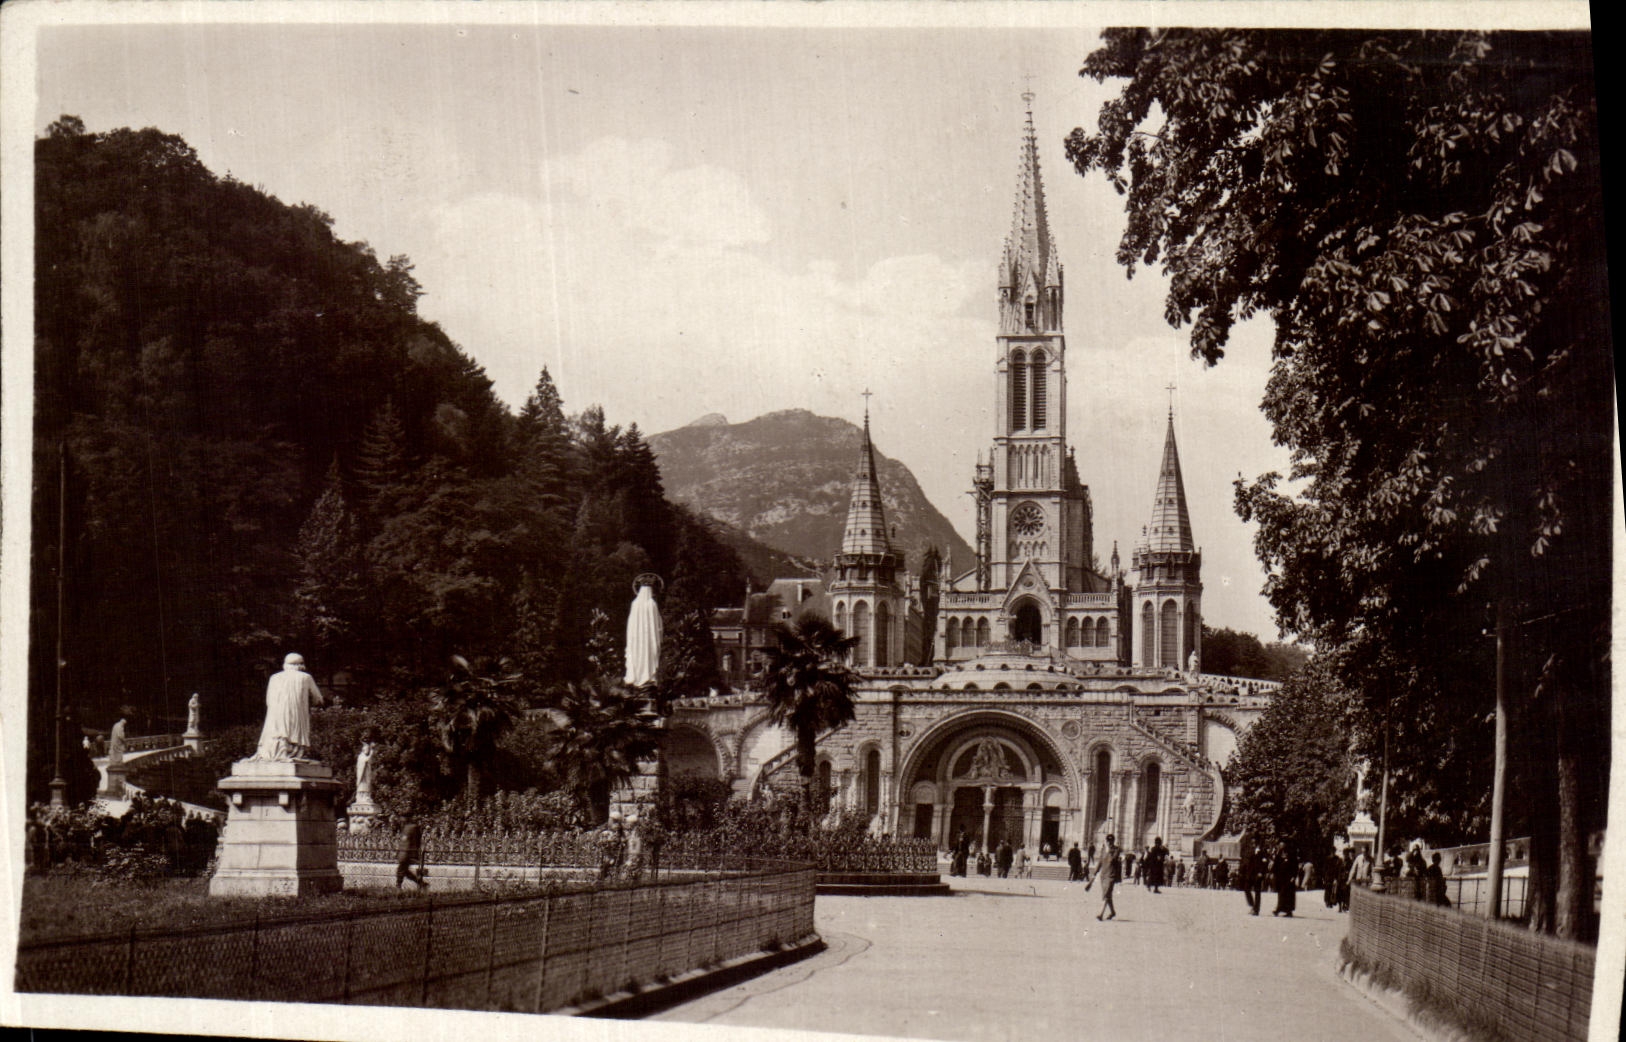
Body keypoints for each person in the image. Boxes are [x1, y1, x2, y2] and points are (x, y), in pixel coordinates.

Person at [254, 653, 324, 761]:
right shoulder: (306, 677)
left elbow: (268, 699)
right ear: (300, 664)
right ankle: (291, 752)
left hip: (276, 713)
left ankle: (273, 751)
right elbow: (318, 698)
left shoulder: (274, 677)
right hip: (296, 712)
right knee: (293, 732)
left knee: (277, 730)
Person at [1093, 834, 1122, 921]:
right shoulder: (1103, 850)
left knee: (1106, 894)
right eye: (1108, 841)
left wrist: (1109, 851)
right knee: (1107, 895)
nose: (1109, 843)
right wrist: (1095, 872)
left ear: (1113, 841)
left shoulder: (1116, 850)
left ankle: (1100, 914)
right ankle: (1112, 912)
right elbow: (1100, 861)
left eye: (1111, 841)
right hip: (1103, 875)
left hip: (1111, 875)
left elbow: (1113, 859)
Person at [395, 822, 427, 889]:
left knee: (401, 870)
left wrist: (414, 851)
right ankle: (421, 883)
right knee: (405, 871)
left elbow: (416, 840)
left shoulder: (412, 827)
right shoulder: (405, 826)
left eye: (403, 817)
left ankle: (398, 886)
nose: (401, 819)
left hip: (408, 852)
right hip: (404, 852)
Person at [1270, 843, 1297, 917]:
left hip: (1288, 878)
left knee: (1288, 894)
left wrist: (1293, 876)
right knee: (1281, 893)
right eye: (1280, 845)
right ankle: (1282, 909)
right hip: (1280, 878)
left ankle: (1284, 910)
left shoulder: (1291, 855)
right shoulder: (1279, 855)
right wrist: (1272, 873)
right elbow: (1275, 865)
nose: (1280, 846)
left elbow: (1295, 866)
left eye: (1282, 845)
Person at [1240, 848, 1264, 915]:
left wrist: (1261, 872)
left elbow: (1264, 862)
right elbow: (1246, 862)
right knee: (1246, 889)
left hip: (1257, 875)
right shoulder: (1249, 851)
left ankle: (1256, 909)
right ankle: (1252, 905)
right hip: (1250, 874)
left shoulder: (1262, 850)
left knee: (1257, 892)